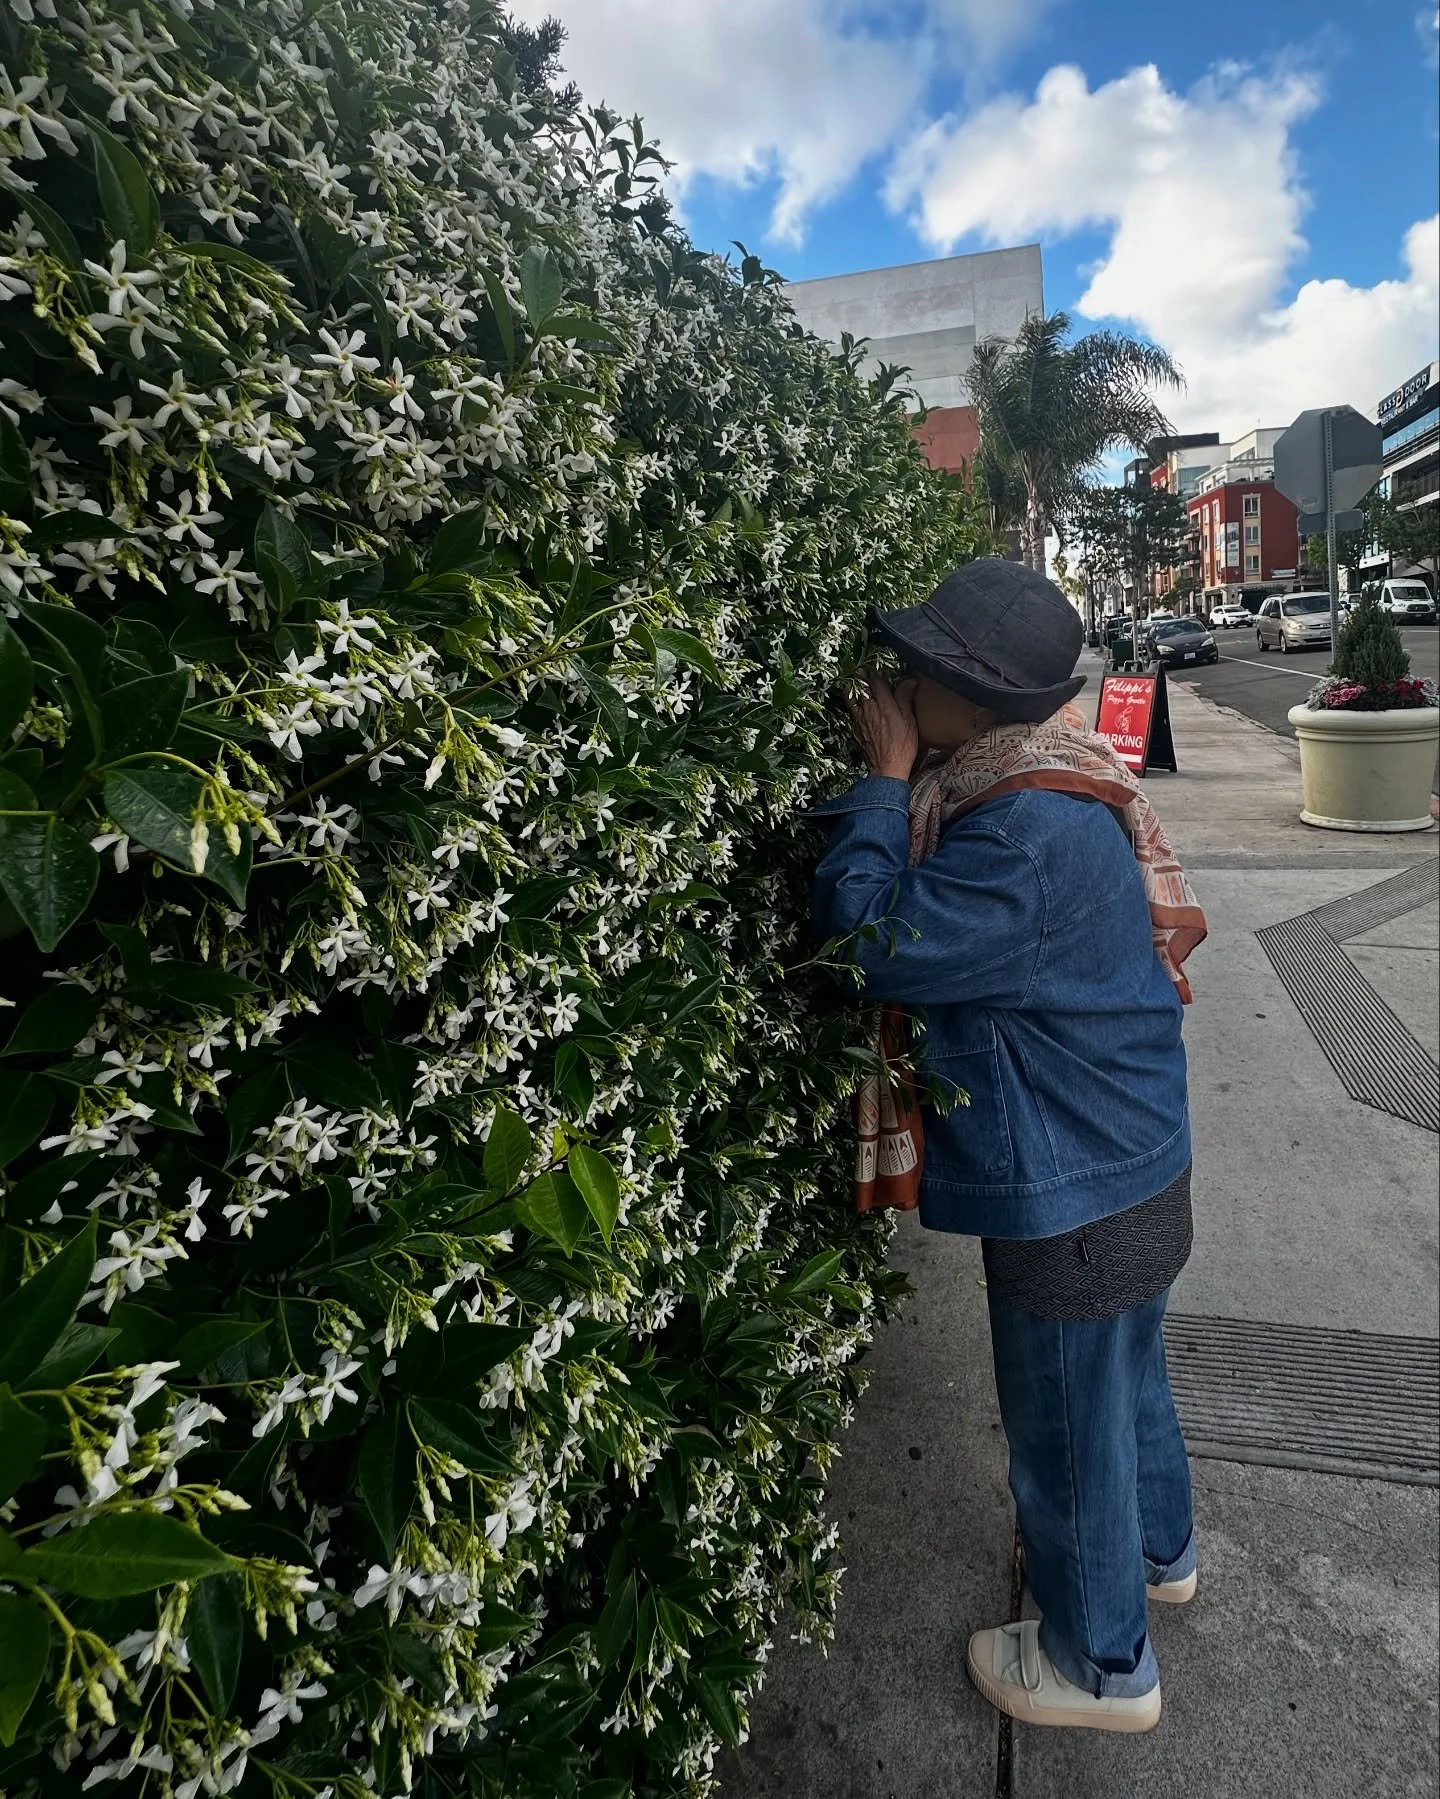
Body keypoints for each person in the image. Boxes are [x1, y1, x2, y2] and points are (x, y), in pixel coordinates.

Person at [810, 558, 1208, 1734]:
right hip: (1137, 1155)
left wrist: (882, 781)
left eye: (914, 671)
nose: (894, 687)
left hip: (1073, 1189)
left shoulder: (1019, 832)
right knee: (1128, 1385)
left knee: (1065, 1430)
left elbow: (866, 942)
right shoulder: (1050, 775)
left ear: (968, 696)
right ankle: (1162, 1554)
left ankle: (1102, 1664)